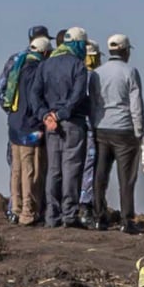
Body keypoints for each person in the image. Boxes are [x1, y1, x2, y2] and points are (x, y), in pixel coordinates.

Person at [32, 31, 97, 228]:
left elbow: (35, 94)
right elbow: (78, 95)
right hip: (72, 122)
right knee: (71, 168)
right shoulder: (78, 65)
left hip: (51, 124)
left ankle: (52, 215)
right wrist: (61, 114)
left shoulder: (45, 65)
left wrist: (46, 115)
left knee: (53, 169)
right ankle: (69, 215)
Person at [92, 34, 144, 231]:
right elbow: (135, 104)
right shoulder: (130, 72)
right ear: (125, 50)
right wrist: (139, 130)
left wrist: (94, 124)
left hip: (101, 128)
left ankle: (99, 217)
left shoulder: (97, 73)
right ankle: (127, 219)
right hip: (124, 130)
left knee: (100, 175)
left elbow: (93, 102)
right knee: (126, 178)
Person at [4, 28, 52, 224]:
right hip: (30, 126)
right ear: (44, 52)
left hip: (15, 124)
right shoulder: (37, 71)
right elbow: (35, 100)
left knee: (16, 169)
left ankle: (15, 209)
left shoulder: (18, 65)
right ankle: (28, 212)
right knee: (31, 170)